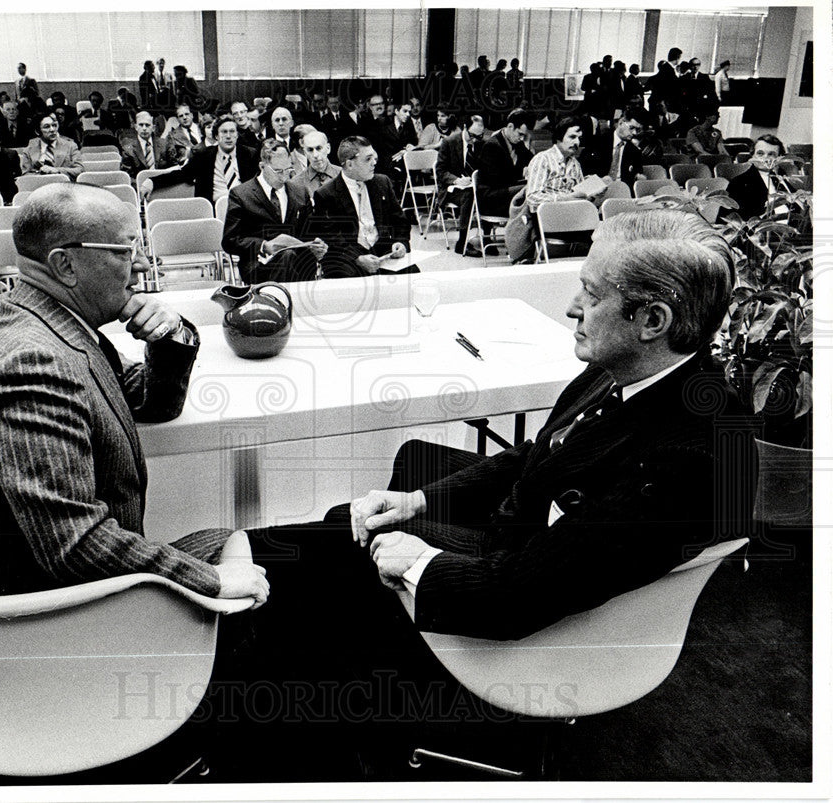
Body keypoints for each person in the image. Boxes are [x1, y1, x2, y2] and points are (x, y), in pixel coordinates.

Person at [237, 210, 754, 771]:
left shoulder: (688, 459)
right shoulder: (633, 367)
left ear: (652, 319)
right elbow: (539, 454)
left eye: (591, 293)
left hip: (533, 601)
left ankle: (296, 714)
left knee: (343, 539)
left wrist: (418, 563)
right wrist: (421, 502)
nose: (573, 307)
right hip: (543, 540)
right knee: (412, 467)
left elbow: (518, 595)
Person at [0, 181, 269, 603]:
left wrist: (169, 334)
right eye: (125, 251)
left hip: (45, 583)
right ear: (66, 265)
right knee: (251, 582)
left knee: (239, 549)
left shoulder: (52, 325)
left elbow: (152, 403)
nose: (143, 264)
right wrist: (209, 581)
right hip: (33, 612)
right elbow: (76, 544)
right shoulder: (32, 363)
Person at [221, 139, 327, 284]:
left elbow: (309, 232)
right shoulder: (241, 194)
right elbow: (230, 240)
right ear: (262, 166)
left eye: (288, 170)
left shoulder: (299, 192)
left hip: (296, 261)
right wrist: (263, 245)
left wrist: (317, 244)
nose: (284, 176)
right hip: (258, 265)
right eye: (278, 171)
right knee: (288, 257)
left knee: (293, 257)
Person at [310, 135, 417, 278]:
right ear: (349, 164)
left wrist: (401, 243)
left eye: (374, 158)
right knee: (352, 281)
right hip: (348, 257)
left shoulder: (382, 183)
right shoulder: (326, 194)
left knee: (413, 275)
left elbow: (400, 221)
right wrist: (357, 259)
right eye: (367, 159)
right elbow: (332, 238)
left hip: (383, 251)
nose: (374, 163)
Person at [457, 108, 535, 255]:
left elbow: (531, 160)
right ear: (510, 127)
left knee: (531, 189)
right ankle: (523, 242)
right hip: (491, 198)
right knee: (528, 189)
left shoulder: (516, 142)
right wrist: (522, 175)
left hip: (506, 193)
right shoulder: (492, 146)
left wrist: (531, 168)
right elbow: (497, 180)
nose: (521, 138)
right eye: (520, 134)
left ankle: (527, 240)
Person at [142, 115, 259, 203]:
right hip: (213, 209)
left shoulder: (249, 154)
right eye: (224, 132)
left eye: (232, 131)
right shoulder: (204, 156)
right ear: (217, 136)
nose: (228, 136)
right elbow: (182, 174)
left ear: (237, 135)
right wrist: (152, 181)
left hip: (244, 209)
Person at [524, 115, 602, 212]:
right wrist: (564, 199)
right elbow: (532, 197)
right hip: (547, 216)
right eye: (572, 137)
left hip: (571, 214)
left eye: (579, 138)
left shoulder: (575, 163)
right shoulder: (543, 159)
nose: (577, 142)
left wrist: (593, 194)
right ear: (559, 137)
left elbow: (580, 196)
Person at [434, 114, 487, 254]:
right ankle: (462, 243)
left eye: (479, 136)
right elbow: (440, 171)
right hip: (451, 188)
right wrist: (457, 180)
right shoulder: (449, 142)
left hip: (473, 185)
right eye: (472, 135)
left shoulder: (481, 143)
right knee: (470, 196)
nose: (475, 139)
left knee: (487, 193)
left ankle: (487, 237)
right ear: (464, 128)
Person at [724, 134, 793, 219]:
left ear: (779, 158)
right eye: (760, 153)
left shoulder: (782, 179)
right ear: (752, 155)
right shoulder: (739, 183)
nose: (765, 158)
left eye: (771, 154)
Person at [581, 107, 646, 189]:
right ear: (621, 122)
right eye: (632, 128)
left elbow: (637, 175)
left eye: (638, 130)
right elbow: (584, 171)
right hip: (597, 190)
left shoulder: (635, 151)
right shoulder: (596, 143)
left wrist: (639, 177)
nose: (634, 133)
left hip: (622, 192)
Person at [20, 113, 84, 179]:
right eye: (47, 127)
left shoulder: (70, 146)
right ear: (37, 131)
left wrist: (56, 170)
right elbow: (25, 175)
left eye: (54, 125)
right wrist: (41, 174)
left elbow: (80, 170)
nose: (52, 130)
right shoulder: (29, 150)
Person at [287, 130, 342, 199]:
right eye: (310, 150)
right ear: (305, 153)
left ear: (328, 148)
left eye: (319, 148)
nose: (315, 155)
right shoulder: (296, 183)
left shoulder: (343, 174)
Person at [120, 110, 174, 177]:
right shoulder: (128, 149)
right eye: (141, 125)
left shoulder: (164, 144)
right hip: (140, 185)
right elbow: (127, 176)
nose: (144, 128)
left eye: (147, 125)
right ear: (136, 127)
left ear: (153, 128)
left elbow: (173, 167)